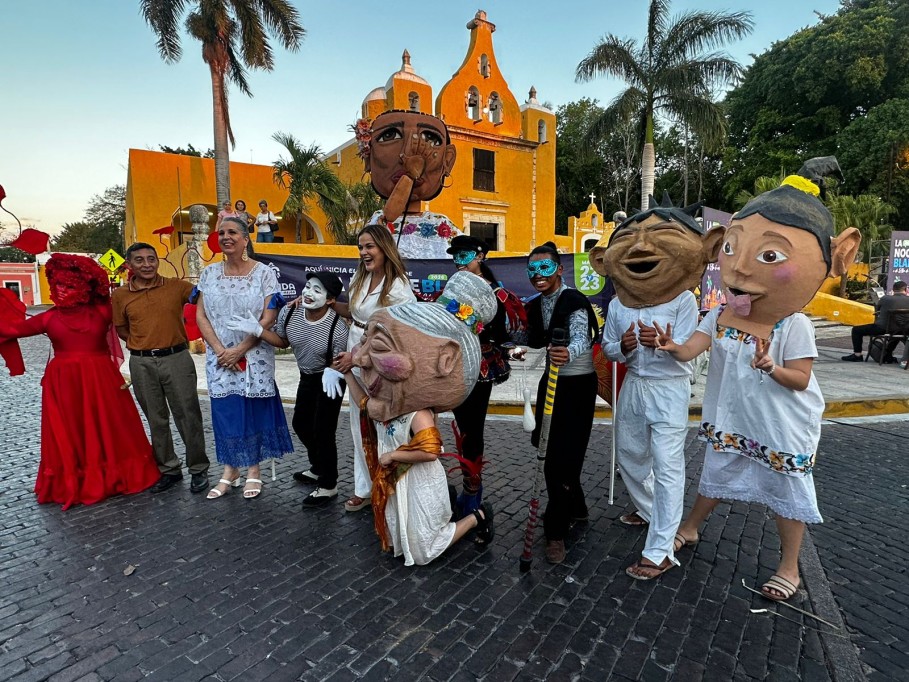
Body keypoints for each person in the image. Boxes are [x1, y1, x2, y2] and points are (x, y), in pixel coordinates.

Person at [656, 176, 860, 601]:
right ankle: (689, 529)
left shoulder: (793, 325)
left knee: (788, 491)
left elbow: (800, 380)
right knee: (716, 473)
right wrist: (672, 346)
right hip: (733, 419)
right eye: (731, 248)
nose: (741, 267)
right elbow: (692, 348)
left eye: (769, 255)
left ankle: (790, 568)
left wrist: (770, 367)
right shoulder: (719, 316)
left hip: (781, 425)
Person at [596, 197, 725, 580]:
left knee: (668, 465)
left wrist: (666, 345)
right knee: (631, 455)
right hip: (634, 385)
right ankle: (655, 512)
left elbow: (688, 350)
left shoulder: (684, 300)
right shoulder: (619, 305)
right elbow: (607, 347)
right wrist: (626, 347)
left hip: (669, 387)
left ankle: (661, 547)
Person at [341, 271, 496, 565]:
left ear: (446, 361)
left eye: (379, 347)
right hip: (400, 485)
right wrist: (347, 372)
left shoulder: (418, 412)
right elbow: (363, 403)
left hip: (420, 481)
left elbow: (430, 449)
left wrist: (392, 456)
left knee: (424, 551)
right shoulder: (385, 405)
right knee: (404, 534)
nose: (361, 358)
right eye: (364, 343)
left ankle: (477, 517)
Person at [0, 254, 159, 509]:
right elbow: (10, 330)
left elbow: (133, 303)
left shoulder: (102, 311)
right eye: (58, 286)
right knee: (72, 427)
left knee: (108, 424)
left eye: (70, 286)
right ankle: (80, 476)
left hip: (100, 378)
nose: (62, 291)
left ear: (84, 288)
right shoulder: (48, 318)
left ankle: (114, 474)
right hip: (64, 383)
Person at [196, 216, 294, 499]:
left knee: (251, 412)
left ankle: (253, 470)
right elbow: (200, 314)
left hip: (254, 355)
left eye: (232, 232)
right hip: (219, 356)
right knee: (225, 412)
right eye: (221, 233)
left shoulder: (263, 273)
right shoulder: (209, 273)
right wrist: (219, 350)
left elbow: (268, 317)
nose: (226, 237)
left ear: (246, 238)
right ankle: (230, 470)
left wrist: (240, 350)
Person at [236, 272, 348, 507]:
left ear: (329, 300)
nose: (308, 293)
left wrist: (333, 370)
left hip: (330, 377)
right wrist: (258, 331)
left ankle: (329, 484)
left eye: (317, 291)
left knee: (323, 431)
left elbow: (340, 359)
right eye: (307, 287)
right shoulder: (290, 312)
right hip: (306, 376)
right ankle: (318, 468)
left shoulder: (337, 327)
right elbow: (283, 341)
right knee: (301, 424)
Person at [519, 242, 599, 564]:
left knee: (563, 457)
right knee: (548, 446)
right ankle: (575, 508)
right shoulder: (535, 304)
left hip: (577, 386)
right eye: (533, 270)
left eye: (546, 268)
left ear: (560, 270)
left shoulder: (574, 300)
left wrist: (569, 351)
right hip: (549, 383)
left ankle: (555, 531)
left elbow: (581, 336)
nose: (539, 275)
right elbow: (525, 338)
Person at [330, 223, 416, 512]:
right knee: (358, 423)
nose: (364, 252)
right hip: (355, 350)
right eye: (361, 247)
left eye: (369, 246)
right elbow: (355, 314)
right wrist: (327, 304)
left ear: (383, 248)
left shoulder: (399, 286)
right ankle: (364, 488)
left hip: (380, 358)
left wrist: (364, 356)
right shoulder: (358, 279)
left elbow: (401, 329)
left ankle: (389, 484)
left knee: (384, 423)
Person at [112, 242, 210, 494]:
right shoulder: (120, 295)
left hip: (176, 359)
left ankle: (198, 469)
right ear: (129, 264)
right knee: (156, 419)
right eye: (140, 260)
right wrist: (142, 345)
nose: (147, 264)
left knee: (188, 416)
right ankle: (169, 469)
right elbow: (122, 328)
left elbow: (207, 297)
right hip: (141, 363)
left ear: (158, 261)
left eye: (151, 259)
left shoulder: (177, 287)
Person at [446, 234, 525, 516]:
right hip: (453, 363)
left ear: (481, 256)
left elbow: (502, 334)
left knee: (472, 428)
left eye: (464, 256)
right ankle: (461, 481)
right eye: (455, 257)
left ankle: (472, 490)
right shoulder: (453, 288)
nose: (459, 262)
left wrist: (512, 350)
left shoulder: (496, 293)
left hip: (480, 366)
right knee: (459, 423)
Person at [353, 110, 461, 259]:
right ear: (368, 157)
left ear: (447, 161)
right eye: (389, 136)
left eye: (430, 138)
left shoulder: (443, 225)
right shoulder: (377, 223)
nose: (408, 152)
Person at [841, 280, 909, 363]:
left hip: (882, 328)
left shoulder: (885, 298)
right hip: (902, 330)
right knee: (895, 333)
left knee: (856, 330)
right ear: (905, 289)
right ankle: (888, 355)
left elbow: (878, 309)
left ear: (893, 289)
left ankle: (857, 355)